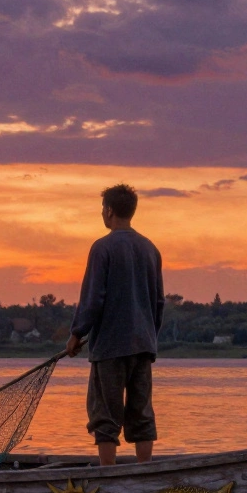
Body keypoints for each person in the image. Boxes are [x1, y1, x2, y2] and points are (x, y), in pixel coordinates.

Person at [65, 184, 164, 466]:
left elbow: (92, 299)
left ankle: (108, 477)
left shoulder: (102, 248)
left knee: (105, 415)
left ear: (109, 211)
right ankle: (144, 474)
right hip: (143, 345)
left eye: (102, 210)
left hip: (110, 347)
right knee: (141, 413)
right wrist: (149, 338)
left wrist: (76, 334)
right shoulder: (150, 249)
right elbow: (159, 303)